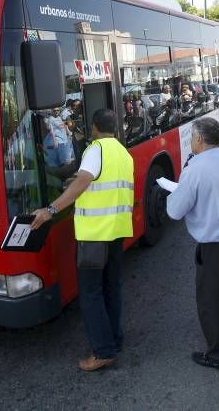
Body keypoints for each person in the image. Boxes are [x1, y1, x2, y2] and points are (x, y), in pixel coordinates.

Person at [30, 109, 134, 372]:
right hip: (117, 230)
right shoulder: (123, 152)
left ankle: (102, 351)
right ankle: (114, 340)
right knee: (111, 288)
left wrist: (50, 209)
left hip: (95, 234)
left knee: (90, 294)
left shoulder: (94, 149)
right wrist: (74, 182)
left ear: (95, 128)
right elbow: (97, 182)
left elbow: (85, 180)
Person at [166, 117, 219, 371]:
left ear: (200, 139)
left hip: (216, 242)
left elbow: (175, 210)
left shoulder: (195, 169)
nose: (191, 141)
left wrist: (176, 190)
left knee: (213, 298)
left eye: (192, 136)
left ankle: (218, 354)